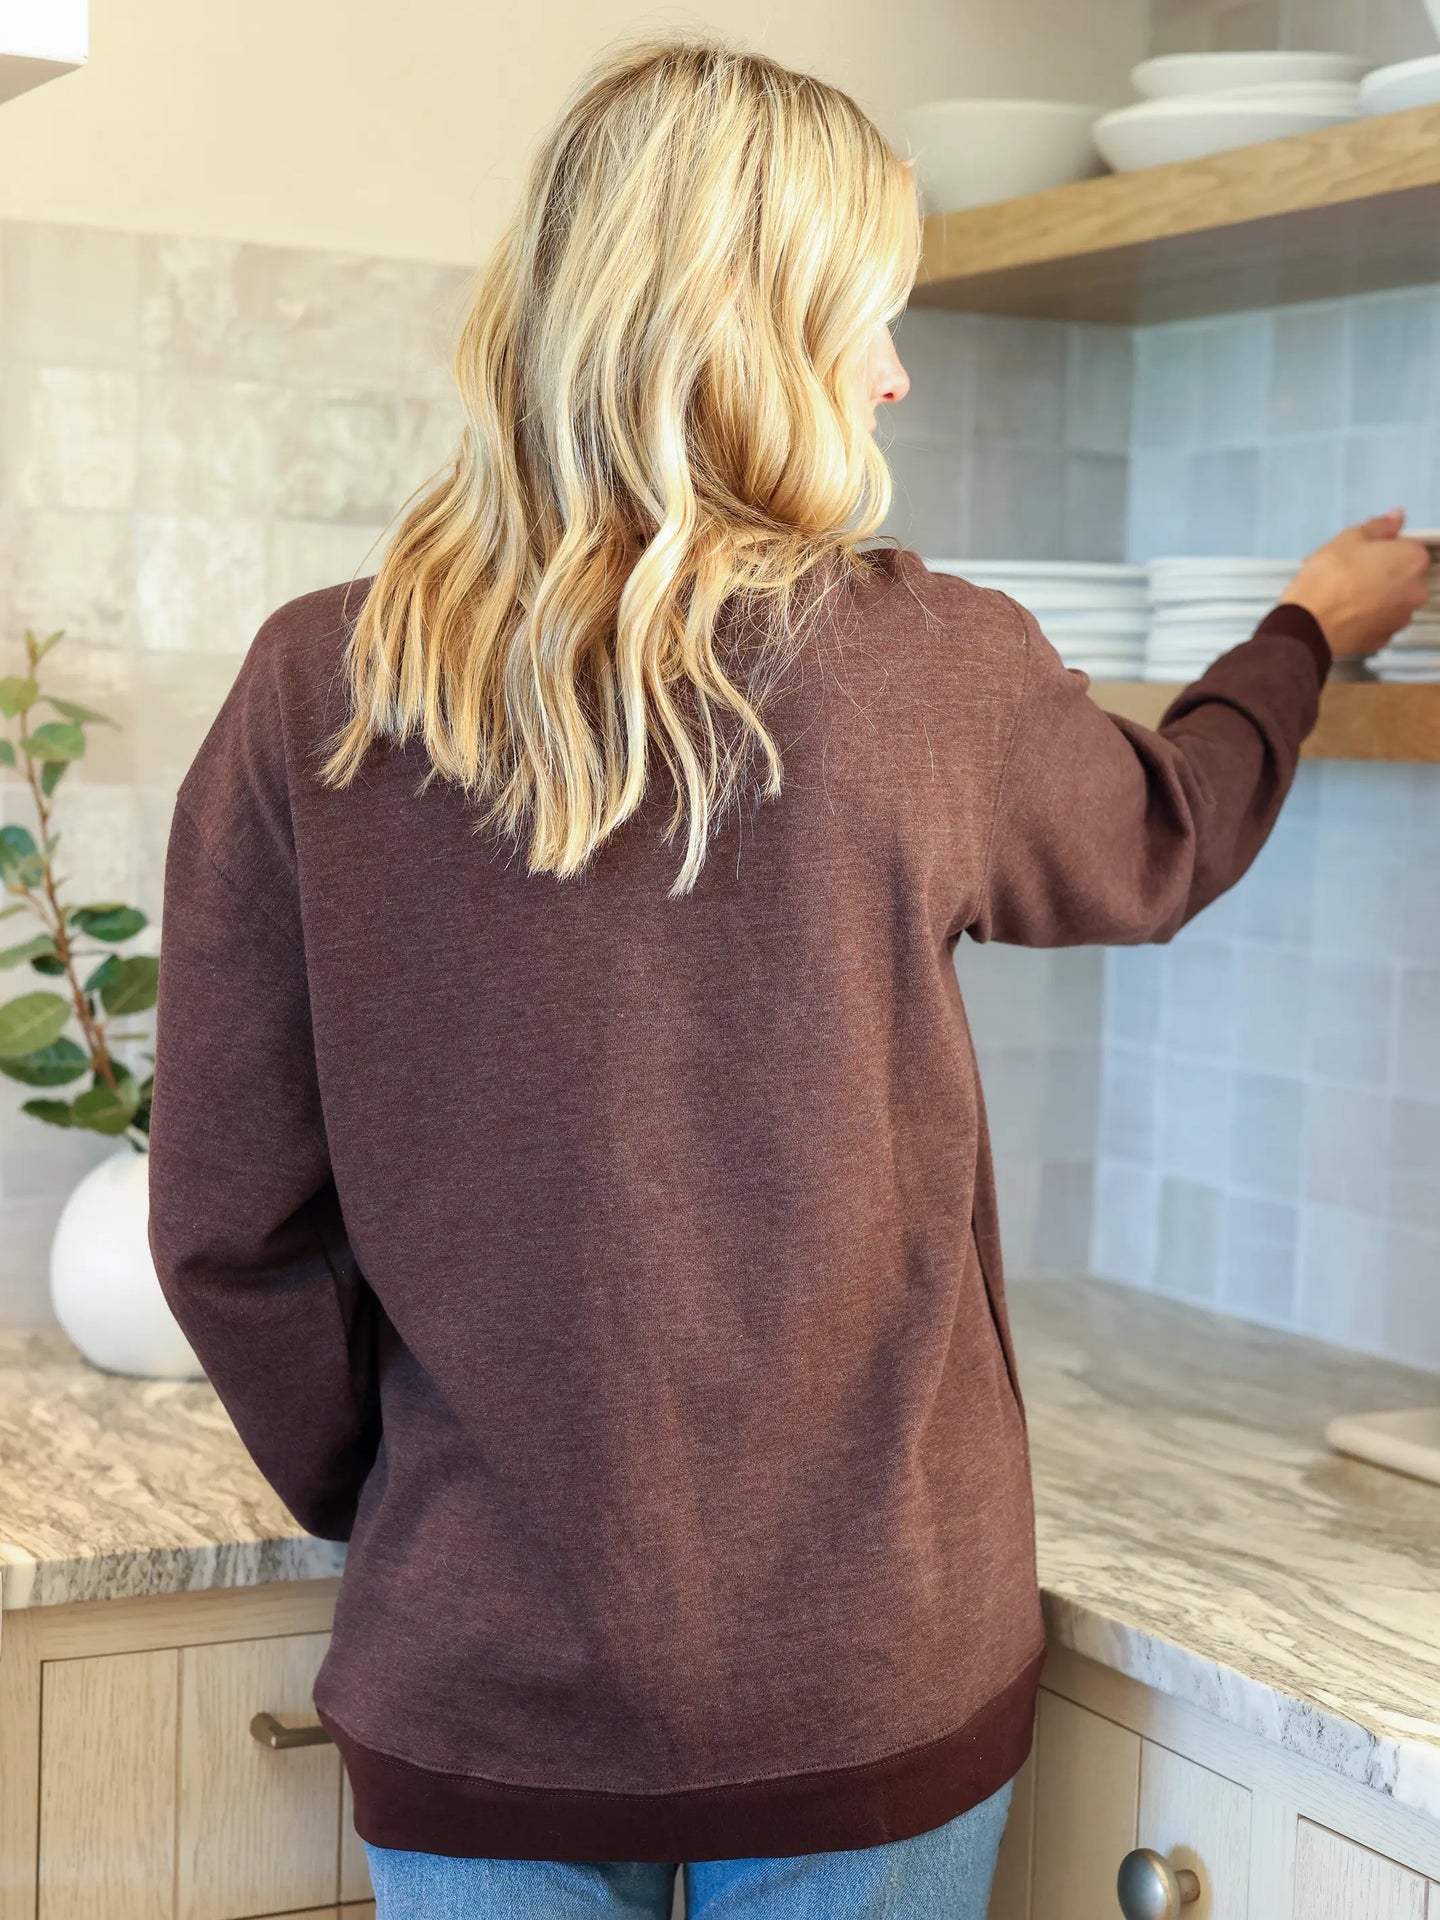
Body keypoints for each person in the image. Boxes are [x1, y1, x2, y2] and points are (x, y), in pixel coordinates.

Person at [144, 36, 1429, 1920]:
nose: (894, 370)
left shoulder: (312, 687)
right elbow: (1169, 831)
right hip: (869, 1678)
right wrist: (1306, 630)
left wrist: (434, 1495)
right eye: (865, 314)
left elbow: (224, 1226)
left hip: (478, 1674)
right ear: (752, 332)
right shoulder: (925, 666)